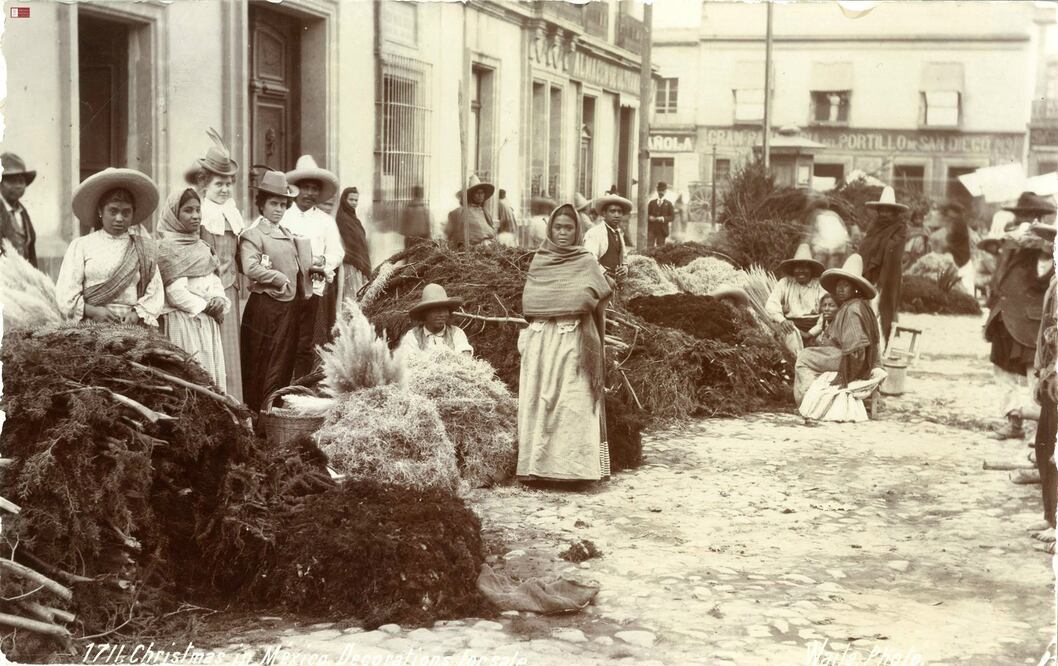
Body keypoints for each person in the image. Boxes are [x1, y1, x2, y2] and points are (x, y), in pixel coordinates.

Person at [517, 203, 612, 483]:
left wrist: (594, 293)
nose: (562, 233)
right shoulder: (541, 259)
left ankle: (575, 471)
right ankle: (536, 469)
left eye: (569, 228)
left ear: (577, 231)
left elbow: (598, 292)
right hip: (541, 339)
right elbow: (532, 301)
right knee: (540, 400)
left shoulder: (585, 260)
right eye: (558, 227)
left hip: (573, 337)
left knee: (572, 399)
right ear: (550, 228)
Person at [984, 191, 1056, 440]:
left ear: (1040, 217)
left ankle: (1043, 432)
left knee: (1034, 373)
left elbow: (1044, 277)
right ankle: (1013, 421)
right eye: (1022, 214)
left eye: (1031, 215)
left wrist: (1044, 247)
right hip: (1004, 317)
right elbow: (1001, 274)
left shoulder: (1047, 246)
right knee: (1002, 370)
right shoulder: (1012, 240)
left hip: (1030, 321)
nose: (1026, 219)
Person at [239, 170, 313, 412]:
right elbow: (250, 267)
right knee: (262, 361)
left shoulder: (287, 234)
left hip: (288, 307)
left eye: (283, 204)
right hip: (266, 307)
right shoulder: (253, 235)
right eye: (273, 203)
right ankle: (259, 415)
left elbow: (296, 263)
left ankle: (274, 412)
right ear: (261, 204)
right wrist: (278, 278)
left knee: (283, 362)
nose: (279, 209)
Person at [55, 168, 164, 327]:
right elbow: (65, 293)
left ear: (133, 214)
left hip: (132, 328)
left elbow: (155, 291)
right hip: (90, 325)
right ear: (100, 211)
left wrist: (136, 313)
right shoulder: (81, 245)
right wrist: (92, 311)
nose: (119, 218)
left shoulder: (144, 248)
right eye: (113, 211)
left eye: (126, 212)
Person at [186, 129, 245, 400]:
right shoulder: (200, 214)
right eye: (219, 184)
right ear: (205, 185)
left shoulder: (232, 214)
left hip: (230, 292)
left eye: (228, 184)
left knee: (230, 355)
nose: (224, 189)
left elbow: (240, 255)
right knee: (209, 353)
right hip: (205, 294)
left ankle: (235, 408)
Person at [157, 188, 229, 389]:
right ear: (174, 215)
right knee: (189, 375)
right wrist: (206, 306)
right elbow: (174, 293)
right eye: (188, 210)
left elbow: (214, 279)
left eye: (198, 210)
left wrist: (218, 298)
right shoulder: (166, 248)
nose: (196, 215)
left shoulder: (202, 247)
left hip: (207, 324)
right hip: (183, 322)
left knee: (210, 373)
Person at [283, 154, 344, 378]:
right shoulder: (284, 217)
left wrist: (323, 261)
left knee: (307, 340)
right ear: (295, 189)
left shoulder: (326, 221)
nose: (310, 193)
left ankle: (304, 383)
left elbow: (337, 252)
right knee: (285, 337)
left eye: (314, 188)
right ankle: (282, 384)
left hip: (314, 287)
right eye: (305, 187)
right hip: (286, 288)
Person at [793, 254, 881, 405]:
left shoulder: (853, 309)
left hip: (852, 360)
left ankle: (807, 400)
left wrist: (847, 373)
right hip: (852, 356)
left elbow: (856, 348)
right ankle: (814, 395)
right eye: (838, 285)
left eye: (845, 285)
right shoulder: (854, 305)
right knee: (810, 353)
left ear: (855, 288)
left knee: (804, 357)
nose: (840, 289)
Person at [1029, 222, 1057, 552]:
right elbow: (1045, 332)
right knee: (1045, 446)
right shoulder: (1053, 283)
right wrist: (1040, 371)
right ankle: (1050, 515)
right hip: (1051, 375)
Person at [858, 186, 908, 345]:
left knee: (885, 306)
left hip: (889, 273)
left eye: (889, 211)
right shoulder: (873, 226)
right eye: (882, 210)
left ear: (894, 212)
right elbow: (866, 246)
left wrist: (879, 252)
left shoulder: (900, 227)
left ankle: (886, 344)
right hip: (870, 273)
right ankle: (867, 342)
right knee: (868, 306)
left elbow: (893, 250)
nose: (885, 214)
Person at [765, 243, 826, 353]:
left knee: (821, 344)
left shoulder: (819, 286)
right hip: (792, 327)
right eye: (797, 267)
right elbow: (771, 304)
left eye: (805, 267)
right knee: (791, 344)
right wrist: (783, 321)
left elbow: (826, 313)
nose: (801, 271)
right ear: (793, 269)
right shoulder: (785, 283)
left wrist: (810, 334)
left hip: (816, 328)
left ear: (811, 269)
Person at [398, 283, 473, 356]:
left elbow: (465, 355)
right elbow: (410, 360)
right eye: (436, 310)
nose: (442, 314)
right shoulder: (413, 335)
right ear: (425, 313)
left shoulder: (456, 333)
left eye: (444, 310)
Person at [336, 186, 372, 306]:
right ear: (344, 200)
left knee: (357, 296)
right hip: (349, 265)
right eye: (351, 199)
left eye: (356, 200)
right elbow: (347, 243)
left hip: (357, 265)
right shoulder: (342, 218)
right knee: (350, 298)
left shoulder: (354, 219)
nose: (354, 203)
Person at [0, 152, 38, 266]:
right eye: (11, 181)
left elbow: (31, 252)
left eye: (21, 181)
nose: (18, 186)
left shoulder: (22, 212)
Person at [584, 193, 631, 282]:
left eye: (619, 212)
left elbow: (624, 258)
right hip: (598, 278)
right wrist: (605, 275)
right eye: (612, 211)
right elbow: (589, 259)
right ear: (604, 214)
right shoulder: (595, 233)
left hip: (616, 279)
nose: (616, 215)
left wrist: (625, 267)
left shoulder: (618, 232)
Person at [446, 175, 496, 247]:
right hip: (470, 250)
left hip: (487, 248)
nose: (480, 195)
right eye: (477, 193)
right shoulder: (462, 212)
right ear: (471, 195)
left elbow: (491, 232)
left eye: (482, 193)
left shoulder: (485, 213)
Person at [400, 185, 432, 249]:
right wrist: (429, 236)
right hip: (422, 237)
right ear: (421, 195)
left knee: (409, 255)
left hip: (410, 238)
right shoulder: (424, 208)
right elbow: (428, 224)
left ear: (413, 194)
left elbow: (403, 226)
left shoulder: (408, 208)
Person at [647, 181, 674, 248]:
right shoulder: (651, 203)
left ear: (665, 191)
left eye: (663, 190)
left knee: (660, 248)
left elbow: (672, 217)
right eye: (659, 190)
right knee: (650, 247)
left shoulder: (669, 204)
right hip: (652, 228)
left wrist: (663, 218)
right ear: (657, 191)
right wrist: (649, 217)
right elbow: (646, 214)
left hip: (662, 230)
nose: (661, 192)